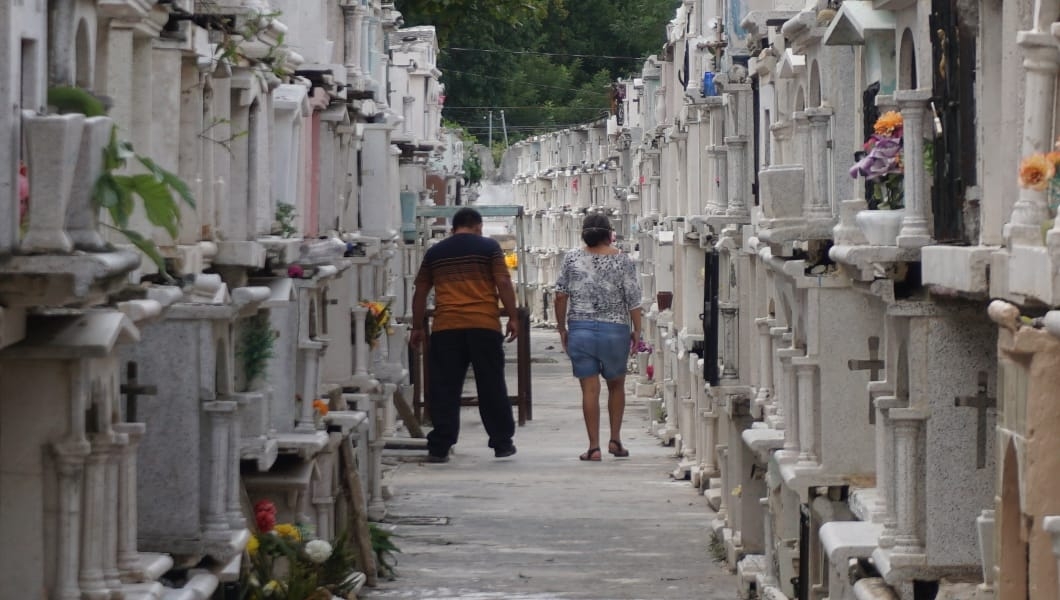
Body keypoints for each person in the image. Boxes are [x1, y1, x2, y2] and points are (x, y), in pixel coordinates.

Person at [409, 207, 520, 463]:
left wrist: (417, 327)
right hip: (484, 325)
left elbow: (420, 291)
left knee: (444, 388)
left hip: (446, 327)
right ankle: (502, 443)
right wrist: (513, 317)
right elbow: (503, 282)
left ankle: (440, 445)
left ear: (453, 228)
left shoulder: (435, 253)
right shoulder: (488, 248)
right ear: (478, 226)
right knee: (491, 385)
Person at [554, 214, 642, 461]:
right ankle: (615, 440)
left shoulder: (571, 258)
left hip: (581, 329)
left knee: (589, 390)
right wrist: (638, 329)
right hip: (615, 330)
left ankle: (593, 447)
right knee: (616, 386)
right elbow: (632, 298)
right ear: (608, 233)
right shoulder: (622, 261)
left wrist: (562, 328)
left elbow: (560, 296)